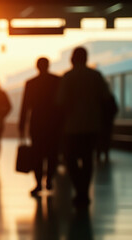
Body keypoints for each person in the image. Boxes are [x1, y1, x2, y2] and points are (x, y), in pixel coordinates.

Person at [57, 47, 111, 207]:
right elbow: (106, 98)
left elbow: (60, 102)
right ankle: (84, 191)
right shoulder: (96, 76)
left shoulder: (67, 77)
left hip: (71, 126)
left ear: (72, 59)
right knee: (87, 159)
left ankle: (79, 188)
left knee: (70, 158)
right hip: (92, 125)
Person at [19, 57, 62, 197]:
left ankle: (38, 183)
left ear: (37, 67)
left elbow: (25, 106)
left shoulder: (31, 83)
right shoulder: (57, 81)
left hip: (36, 123)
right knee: (52, 153)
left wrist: (22, 124)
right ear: (49, 65)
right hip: (54, 123)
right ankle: (49, 179)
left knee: (37, 154)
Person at [96, 92, 118, 163]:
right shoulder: (110, 97)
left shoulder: (97, 98)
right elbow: (115, 109)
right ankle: (105, 154)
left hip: (100, 123)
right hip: (107, 123)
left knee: (99, 139)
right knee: (106, 138)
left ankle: (98, 155)